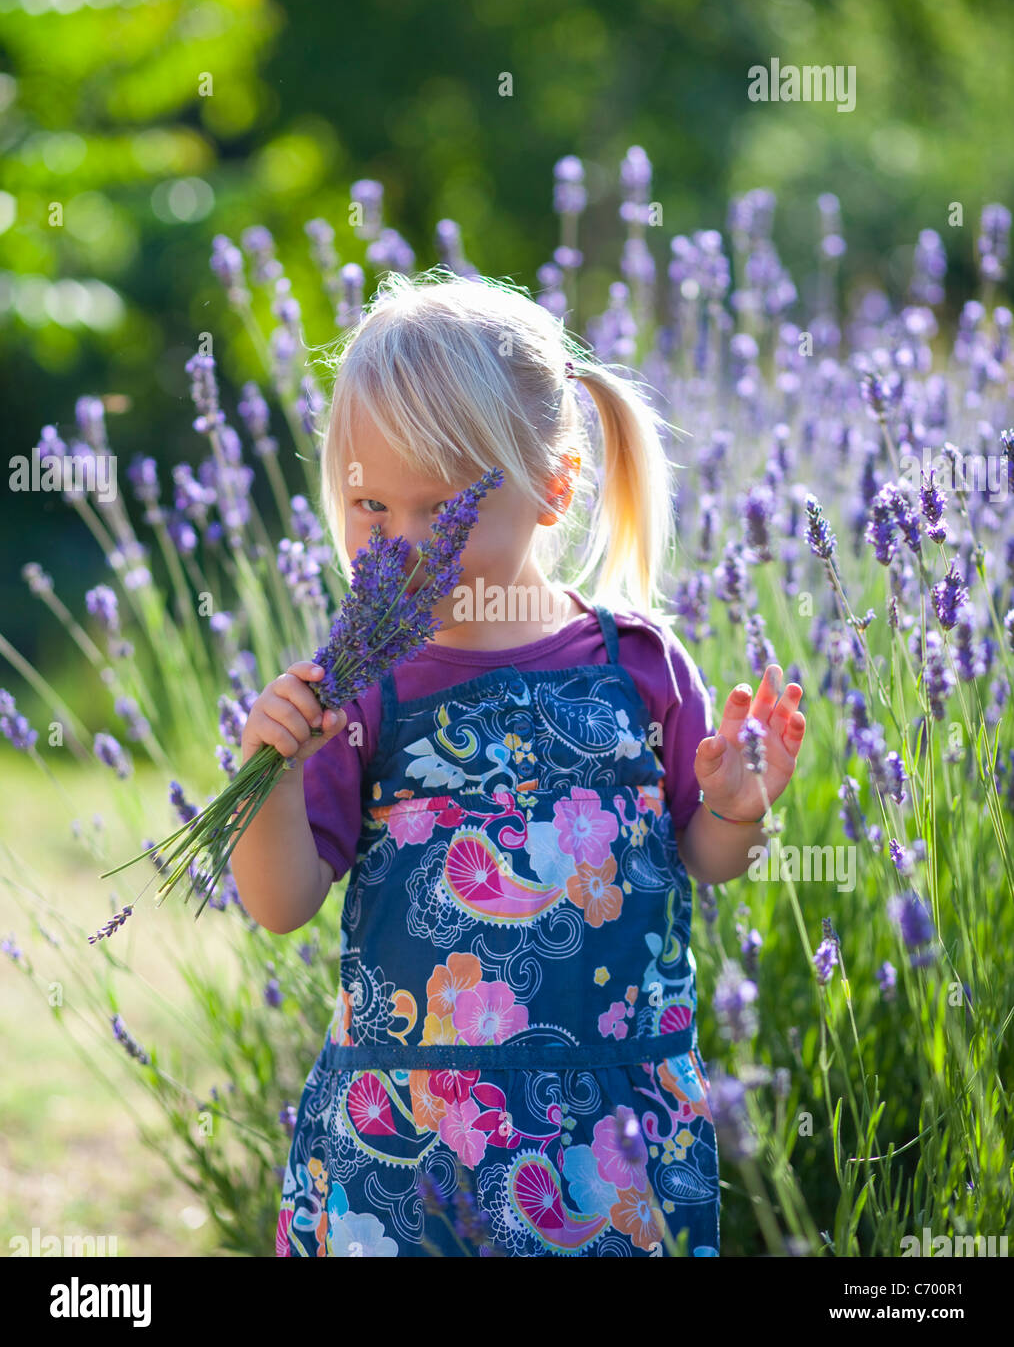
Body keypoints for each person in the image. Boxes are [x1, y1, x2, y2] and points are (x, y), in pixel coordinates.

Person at [230, 267, 806, 1257]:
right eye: (370, 506)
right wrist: (271, 778)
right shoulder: (362, 685)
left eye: (438, 506)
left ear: (554, 487)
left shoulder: (638, 667)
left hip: (608, 1141)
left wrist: (736, 811)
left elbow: (703, 862)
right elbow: (281, 901)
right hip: (398, 1148)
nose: (402, 543)